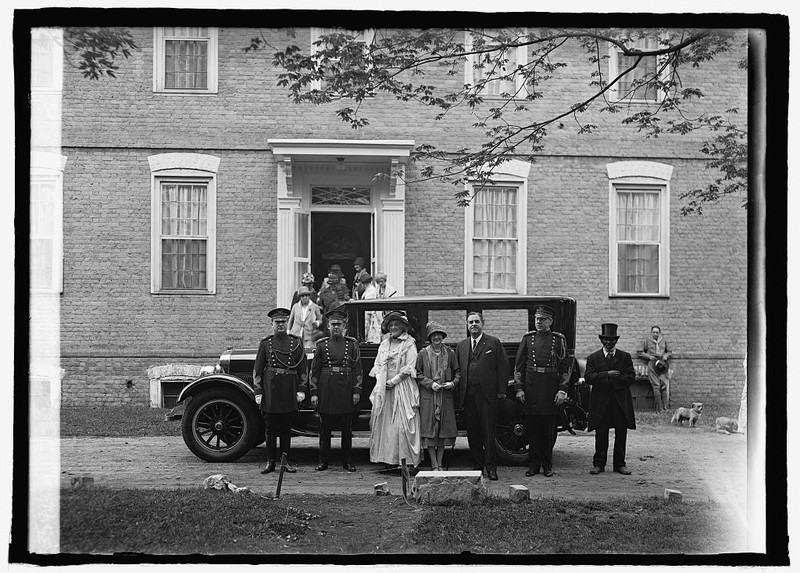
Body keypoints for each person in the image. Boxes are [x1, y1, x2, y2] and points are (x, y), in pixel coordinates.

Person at [513, 305, 570, 478]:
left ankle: (547, 465)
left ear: (550, 321)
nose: (539, 322)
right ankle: (533, 465)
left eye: (542, 319)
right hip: (531, 389)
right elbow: (519, 366)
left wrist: (562, 390)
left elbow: (565, 368)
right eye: (537, 319)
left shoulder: (558, 340)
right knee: (532, 430)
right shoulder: (528, 339)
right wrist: (519, 388)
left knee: (548, 431)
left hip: (550, 389)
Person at [253, 307, 308, 474]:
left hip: (289, 390)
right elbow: (257, 370)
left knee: (286, 428)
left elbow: (303, 370)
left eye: (283, 322)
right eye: (277, 322)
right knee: (270, 427)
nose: (280, 325)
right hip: (271, 390)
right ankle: (270, 462)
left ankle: (285, 462)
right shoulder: (265, 344)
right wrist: (258, 392)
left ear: (287, 323)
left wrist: (301, 390)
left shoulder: (296, 342)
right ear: (272, 324)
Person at [456, 312, 509, 481]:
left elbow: (503, 367)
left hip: (487, 396)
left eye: (477, 322)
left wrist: (501, 391)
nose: (473, 324)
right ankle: (477, 465)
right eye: (470, 322)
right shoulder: (462, 346)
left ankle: (491, 468)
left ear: (483, 323)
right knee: (473, 432)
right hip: (468, 396)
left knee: (488, 432)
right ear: (467, 325)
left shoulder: (493, 343)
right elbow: (458, 370)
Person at [309, 307, 362, 472]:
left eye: (339, 324)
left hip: (345, 390)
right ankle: (323, 461)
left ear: (344, 326)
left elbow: (357, 370)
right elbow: (314, 371)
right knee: (325, 429)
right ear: (328, 326)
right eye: (333, 324)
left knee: (347, 429)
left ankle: (347, 461)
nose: (336, 327)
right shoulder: (321, 345)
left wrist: (356, 391)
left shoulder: (351, 345)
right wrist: (314, 393)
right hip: (327, 390)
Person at [368, 311, 421, 468]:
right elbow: (377, 364)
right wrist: (381, 379)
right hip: (385, 389)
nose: (393, 327)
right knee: (386, 425)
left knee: (402, 425)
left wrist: (394, 381)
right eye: (390, 325)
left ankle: (405, 461)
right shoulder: (384, 344)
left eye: (396, 325)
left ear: (403, 327)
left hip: (402, 388)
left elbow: (410, 366)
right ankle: (389, 459)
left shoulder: (409, 344)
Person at [585, 323, 636, 476]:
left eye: (612, 340)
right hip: (601, 403)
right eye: (606, 340)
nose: (609, 343)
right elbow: (588, 378)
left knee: (621, 433)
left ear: (616, 341)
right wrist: (607, 374)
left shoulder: (625, 357)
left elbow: (630, 377)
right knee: (601, 433)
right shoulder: (593, 358)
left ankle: (620, 464)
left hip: (620, 402)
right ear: (602, 341)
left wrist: (616, 380)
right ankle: (599, 464)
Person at [416, 321, 460, 471]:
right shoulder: (422, 353)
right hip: (428, 396)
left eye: (439, 335)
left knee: (442, 431)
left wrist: (452, 383)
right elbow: (417, 373)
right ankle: (433, 464)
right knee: (430, 431)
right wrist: (429, 383)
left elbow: (458, 372)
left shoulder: (450, 353)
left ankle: (440, 463)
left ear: (442, 337)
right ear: (430, 338)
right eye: (434, 335)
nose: (437, 338)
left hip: (444, 397)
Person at [637, 325, 672, 412]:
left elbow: (669, 351)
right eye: (654, 332)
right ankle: (659, 409)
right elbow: (640, 352)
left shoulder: (663, 341)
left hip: (662, 364)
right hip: (652, 363)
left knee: (663, 385)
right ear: (651, 333)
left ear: (659, 333)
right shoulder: (647, 341)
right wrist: (649, 357)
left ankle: (665, 408)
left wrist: (665, 356)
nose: (655, 334)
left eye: (657, 332)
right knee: (656, 386)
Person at [288, 286, 323, 354]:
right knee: (295, 353)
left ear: (309, 296)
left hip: (309, 334)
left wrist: (316, 323)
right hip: (296, 333)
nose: (305, 297)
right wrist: (288, 332)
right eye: (302, 296)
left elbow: (320, 320)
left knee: (308, 354)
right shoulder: (295, 306)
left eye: (306, 295)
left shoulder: (314, 306)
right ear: (300, 297)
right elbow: (291, 320)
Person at [364, 272, 397, 343]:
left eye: (382, 282)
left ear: (385, 280)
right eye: (378, 282)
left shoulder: (391, 290)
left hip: (388, 313)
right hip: (378, 314)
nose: (380, 284)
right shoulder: (377, 289)